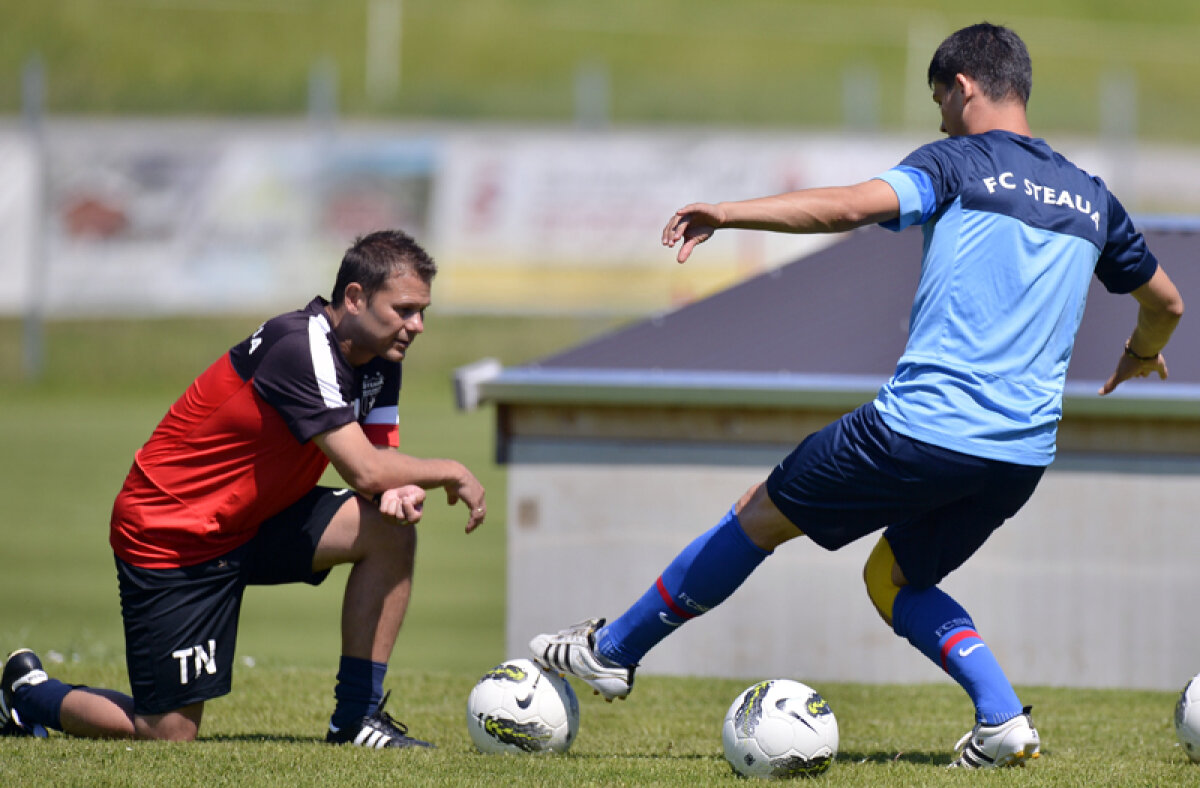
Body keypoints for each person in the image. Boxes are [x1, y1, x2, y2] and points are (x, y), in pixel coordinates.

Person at [529, 22, 1183, 769]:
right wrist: (1139, 355)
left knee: (758, 515)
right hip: (1020, 455)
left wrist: (727, 212)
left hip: (921, 430)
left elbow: (847, 207)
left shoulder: (958, 161)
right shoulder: (1093, 198)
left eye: (940, 100)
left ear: (963, 87)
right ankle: (1002, 722)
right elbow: (1167, 302)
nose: (938, 117)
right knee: (894, 576)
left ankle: (612, 652)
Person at [0, 229, 487, 748]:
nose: (417, 325)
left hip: (256, 520)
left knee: (389, 533)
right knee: (166, 735)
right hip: (172, 533)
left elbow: (381, 462)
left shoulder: (380, 358)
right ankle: (26, 693)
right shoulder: (300, 346)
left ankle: (356, 722)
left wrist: (399, 492)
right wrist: (451, 471)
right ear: (355, 298)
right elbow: (365, 471)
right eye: (406, 309)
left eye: (422, 312)